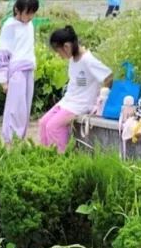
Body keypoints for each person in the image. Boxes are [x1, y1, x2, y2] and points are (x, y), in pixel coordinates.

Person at [37, 25, 113, 154]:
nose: (59, 55)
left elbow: (108, 76)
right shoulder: (73, 59)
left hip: (81, 104)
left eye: (58, 51)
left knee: (53, 126)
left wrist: (101, 98)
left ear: (66, 47)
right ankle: (47, 156)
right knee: (43, 123)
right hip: (69, 101)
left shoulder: (87, 60)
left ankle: (61, 156)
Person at [0, 0, 39, 146]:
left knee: (25, 107)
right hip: (16, 71)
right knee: (15, 108)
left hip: (28, 69)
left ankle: (20, 139)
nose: (30, 16)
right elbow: (3, 52)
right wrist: (3, 81)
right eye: (28, 12)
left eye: (33, 13)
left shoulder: (30, 25)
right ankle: (10, 140)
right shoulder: (9, 26)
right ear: (18, 10)